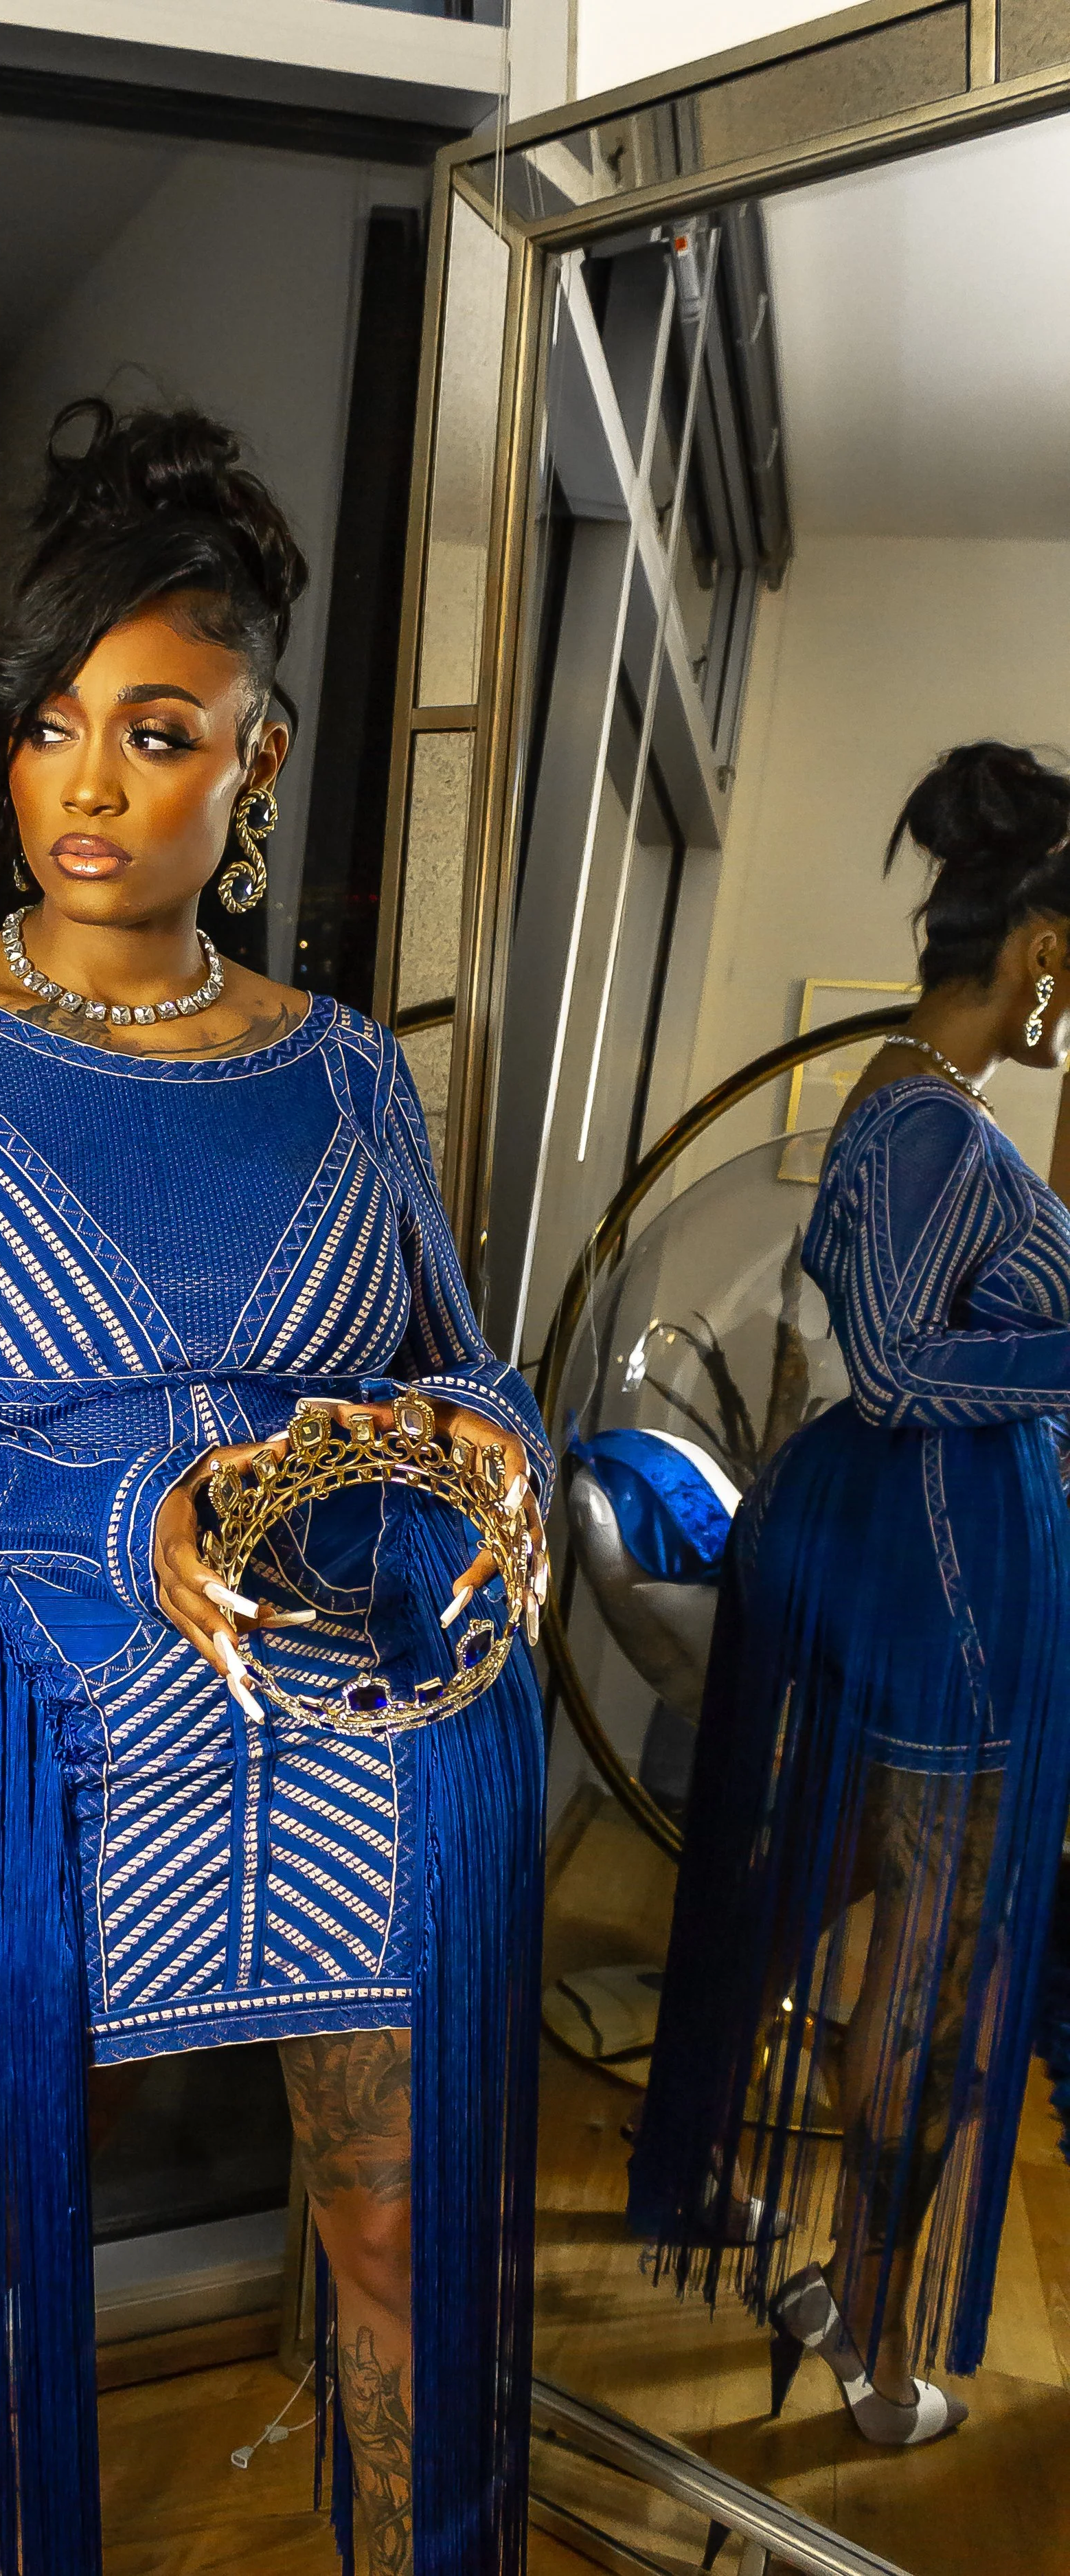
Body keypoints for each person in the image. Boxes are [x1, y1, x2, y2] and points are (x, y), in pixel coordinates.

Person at [0, 401, 553, 2576]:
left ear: (251, 764)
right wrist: (99, 1513)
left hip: (358, 1722)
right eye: (54, 723)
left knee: (387, 2243)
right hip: (52, 1735)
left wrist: (498, 1446)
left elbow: (453, 1351)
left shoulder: (346, 1068)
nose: (87, 780)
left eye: (155, 730)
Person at [628, 741, 1070, 2446]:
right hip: (937, 1586)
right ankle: (879, 2352)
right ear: (1036, 943)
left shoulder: (903, 1108)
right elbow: (889, 1366)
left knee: (827, 1896)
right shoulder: (934, 1131)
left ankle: (764, 2225)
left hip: (902, 1561)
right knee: (933, 1968)